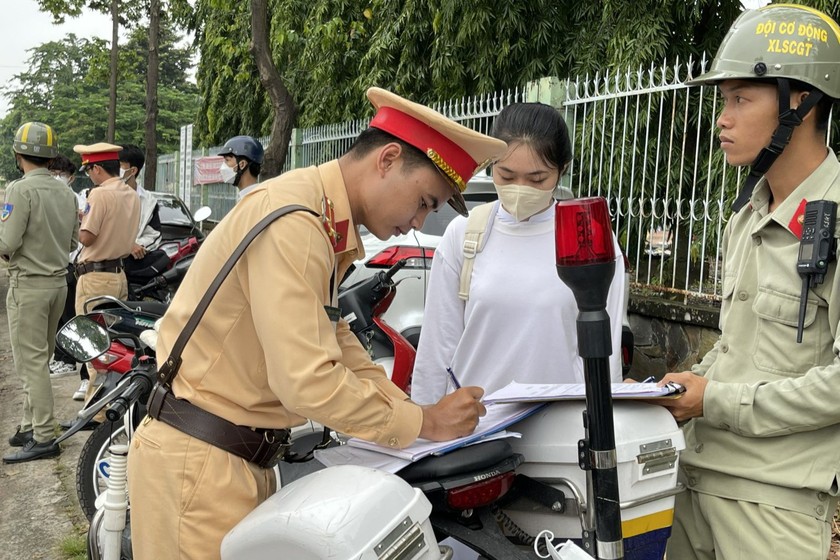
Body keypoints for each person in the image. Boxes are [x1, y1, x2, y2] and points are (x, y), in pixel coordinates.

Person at [127, 87, 507, 560]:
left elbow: (337, 339)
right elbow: (305, 380)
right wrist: (423, 421)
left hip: (226, 459)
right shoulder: (297, 220)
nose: (418, 222)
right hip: (201, 466)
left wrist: (412, 413)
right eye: (425, 201)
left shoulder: (320, 217)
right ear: (387, 160)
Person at [655, 5, 840, 559]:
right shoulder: (747, 215)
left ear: (800, 104)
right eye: (722, 101)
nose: (722, 119)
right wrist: (688, 382)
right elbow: (739, 347)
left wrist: (718, 400)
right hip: (695, 480)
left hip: (774, 504)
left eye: (741, 98)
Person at [410, 103, 626, 405]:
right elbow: (436, 349)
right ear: (490, 165)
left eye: (537, 179)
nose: (520, 189)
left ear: (562, 170)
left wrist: (604, 428)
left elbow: (608, 353)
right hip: (476, 429)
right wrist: (427, 425)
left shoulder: (588, 240)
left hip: (561, 428)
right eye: (507, 176)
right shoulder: (464, 235)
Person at [1, 122, 79, 463]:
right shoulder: (67, 192)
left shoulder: (19, 190)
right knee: (40, 359)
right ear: (52, 157)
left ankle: (44, 435)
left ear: (18, 156)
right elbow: (74, 242)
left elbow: (7, 243)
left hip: (28, 286)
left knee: (30, 364)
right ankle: (29, 424)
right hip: (58, 284)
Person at [72, 143, 141, 402]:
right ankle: (110, 404)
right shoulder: (130, 193)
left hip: (95, 278)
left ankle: (97, 410)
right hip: (118, 275)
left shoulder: (99, 195)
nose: (89, 175)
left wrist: (77, 221)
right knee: (114, 346)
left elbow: (88, 238)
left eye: (89, 169)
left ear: (97, 168)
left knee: (93, 347)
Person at [45, 155, 83, 382]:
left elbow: (76, 239)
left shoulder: (76, 199)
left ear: (71, 178)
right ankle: (60, 357)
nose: (58, 178)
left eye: (62, 175)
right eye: (53, 174)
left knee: (68, 317)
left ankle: (68, 359)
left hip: (71, 264)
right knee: (57, 318)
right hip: (54, 265)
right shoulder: (47, 198)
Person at [119, 144, 162, 258]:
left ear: (133, 170)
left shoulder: (148, 202)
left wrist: (135, 245)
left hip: (132, 264)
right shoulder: (101, 195)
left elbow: (153, 235)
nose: (114, 169)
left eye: (119, 165)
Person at [218, 135, 264, 200]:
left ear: (242, 164)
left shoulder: (254, 200)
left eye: (227, 160)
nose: (223, 166)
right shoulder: (247, 197)